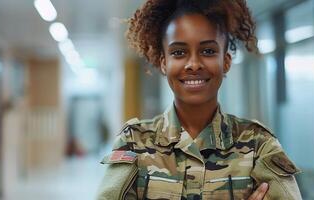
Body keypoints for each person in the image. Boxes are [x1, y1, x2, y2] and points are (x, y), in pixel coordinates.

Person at [97, 0, 302, 199]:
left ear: (226, 62)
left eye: (208, 51)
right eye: (179, 52)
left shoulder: (258, 144)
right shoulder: (134, 142)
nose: (194, 64)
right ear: (163, 63)